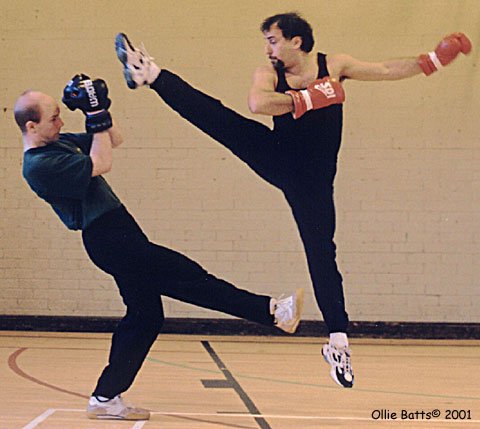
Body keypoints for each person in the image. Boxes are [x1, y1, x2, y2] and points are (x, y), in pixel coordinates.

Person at [113, 12, 472, 389]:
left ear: (295, 41)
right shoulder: (269, 73)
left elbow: (384, 69)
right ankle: (149, 73)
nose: (268, 49)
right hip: (278, 157)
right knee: (220, 120)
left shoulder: (334, 65)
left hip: (312, 182)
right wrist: (310, 97)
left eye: (273, 40)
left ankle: (338, 342)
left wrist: (432, 60)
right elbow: (258, 104)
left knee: (322, 253)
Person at [13, 74, 304, 421]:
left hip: (119, 230)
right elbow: (102, 163)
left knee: (145, 317)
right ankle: (272, 311)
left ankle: (105, 397)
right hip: (107, 238)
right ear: (31, 126)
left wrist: (99, 110)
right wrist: (93, 113)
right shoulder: (39, 166)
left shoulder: (58, 143)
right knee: (187, 275)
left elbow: (113, 140)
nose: (61, 122)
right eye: (54, 118)